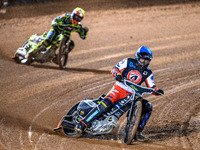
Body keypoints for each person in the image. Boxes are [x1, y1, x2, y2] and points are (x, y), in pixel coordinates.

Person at [76, 46, 164, 141]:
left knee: (147, 106)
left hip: (133, 95)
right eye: (142, 59)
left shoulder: (148, 72)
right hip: (119, 89)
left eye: (146, 61)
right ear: (137, 57)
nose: (143, 62)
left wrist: (157, 91)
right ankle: (82, 123)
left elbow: (152, 86)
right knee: (105, 104)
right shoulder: (128, 61)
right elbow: (115, 69)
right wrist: (117, 74)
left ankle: (137, 132)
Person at [24, 7, 89, 64]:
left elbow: (83, 36)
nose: (76, 19)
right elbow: (55, 19)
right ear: (72, 14)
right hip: (56, 30)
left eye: (79, 18)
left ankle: (58, 58)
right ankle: (31, 53)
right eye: (75, 16)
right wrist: (55, 23)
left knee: (71, 44)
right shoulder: (66, 16)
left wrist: (85, 31)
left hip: (65, 36)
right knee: (48, 40)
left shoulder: (78, 26)